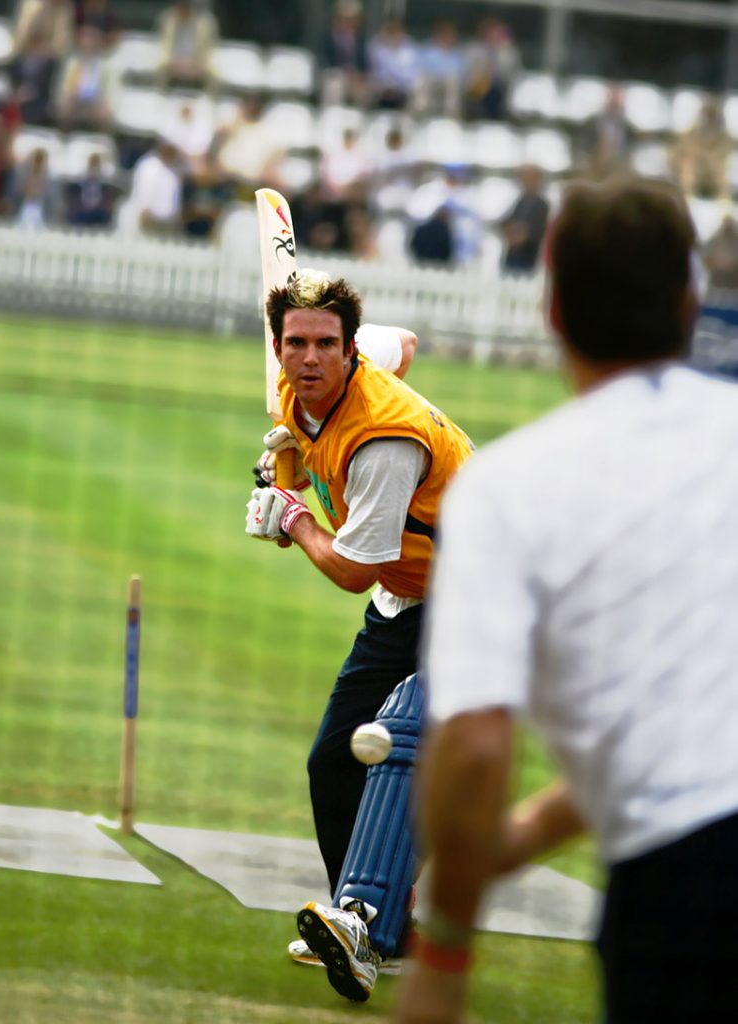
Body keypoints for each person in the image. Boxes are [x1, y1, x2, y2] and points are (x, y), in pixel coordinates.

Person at [393, 176, 738, 1024]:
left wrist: (441, 953)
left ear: (550, 309)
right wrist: (520, 838)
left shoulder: (510, 488)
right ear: (690, 301)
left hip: (689, 898)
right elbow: (690, 727)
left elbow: (474, 747)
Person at [245, 271, 474, 1003]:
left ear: (347, 354)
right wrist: (285, 461)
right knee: (331, 762)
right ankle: (367, 929)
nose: (309, 360)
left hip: (477, 593)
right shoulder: (322, 370)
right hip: (408, 596)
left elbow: (349, 568)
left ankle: (369, 930)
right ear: (278, 345)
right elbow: (398, 342)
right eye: (295, 344)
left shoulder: (383, 441)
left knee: (397, 747)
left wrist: (294, 518)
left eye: (325, 346)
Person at [499, 163, 549, 274]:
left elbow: (536, 231)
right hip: (512, 256)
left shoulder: (541, 204)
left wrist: (521, 234)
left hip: (527, 257)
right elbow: (507, 221)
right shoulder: (521, 200)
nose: (525, 181)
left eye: (529, 177)